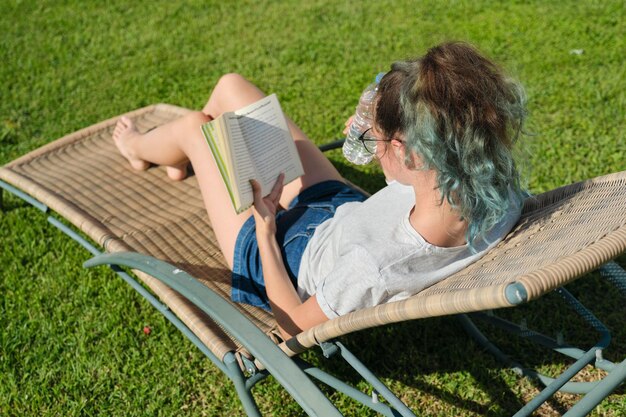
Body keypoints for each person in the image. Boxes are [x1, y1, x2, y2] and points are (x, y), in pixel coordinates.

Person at [112, 41, 526, 340]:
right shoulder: (490, 187)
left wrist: (265, 229)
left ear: (411, 154)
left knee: (195, 127)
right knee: (231, 88)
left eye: (377, 141)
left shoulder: (372, 267)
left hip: (286, 253)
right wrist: (380, 137)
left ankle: (138, 148)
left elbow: (291, 325)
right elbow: (407, 185)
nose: (370, 145)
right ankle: (178, 157)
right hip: (343, 213)